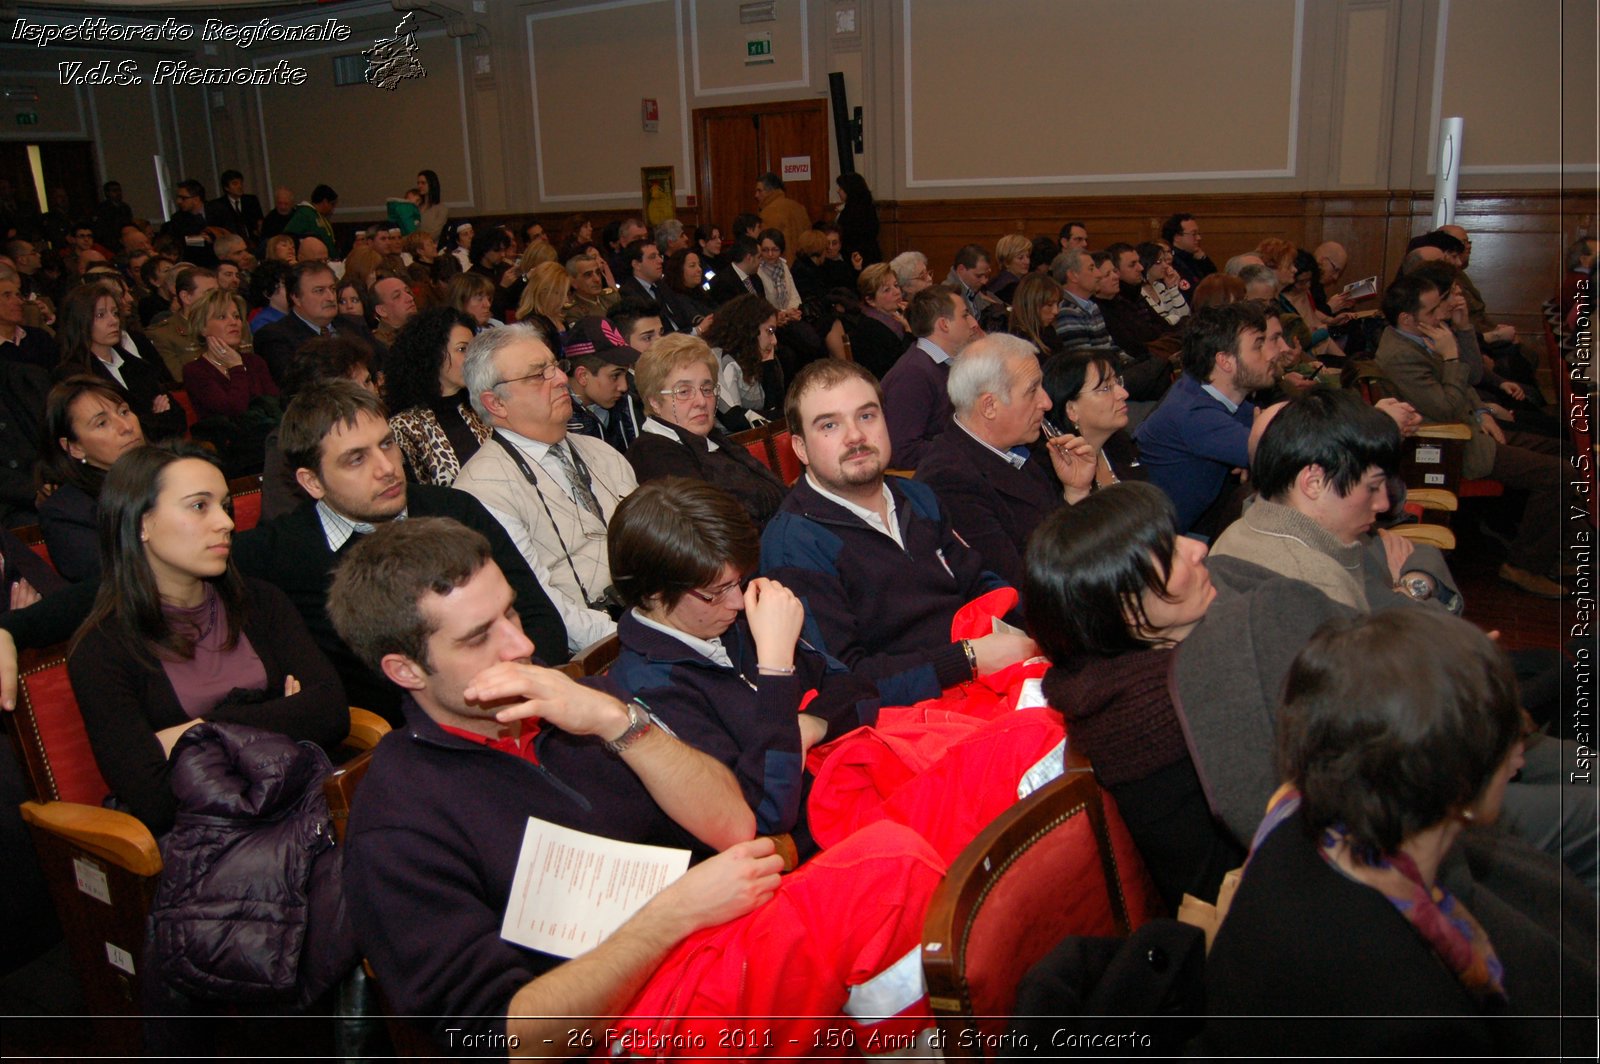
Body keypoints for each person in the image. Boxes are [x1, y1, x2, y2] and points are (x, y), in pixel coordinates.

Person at [328, 517, 944, 1053]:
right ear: (406, 670)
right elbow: (497, 1041)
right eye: (478, 637)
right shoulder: (399, 821)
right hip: (622, 1028)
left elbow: (736, 826)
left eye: (512, 611)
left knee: (904, 855)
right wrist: (668, 918)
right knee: (890, 876)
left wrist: (615, 722)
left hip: (715, 948)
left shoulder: (583, 702)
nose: (522, 644)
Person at [1205, 610, 1539, 1057]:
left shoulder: (1298, 828)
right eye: (1502, 733)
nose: (1520, 742)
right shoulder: (1415, 1016)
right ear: (1453, 781)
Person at [233, 379, 569, 719]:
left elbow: (541, 619)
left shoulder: (456, 511)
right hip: (401, 741)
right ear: (312, 482)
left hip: (518, 701)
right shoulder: (275, 555)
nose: (387, 468)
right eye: (356, 459)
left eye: (387, 443)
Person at [67, 443, 348, 835]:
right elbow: (154, 800)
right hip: (213, 848)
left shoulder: (260, 602)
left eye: (224, 505)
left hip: (306, 807)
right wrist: (278, 714)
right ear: (141, 524)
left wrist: (200, 731)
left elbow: (331, 713)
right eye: (200, 506)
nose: (227, 523)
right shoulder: (101, 651)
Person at [605, 478, 880, 837]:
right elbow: (764, 817)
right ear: (655, 593)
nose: (737, 601)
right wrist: (776, 670)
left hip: (850, 797)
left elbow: (861, 693)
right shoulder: (648, 691)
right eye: (715, 592)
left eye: (739, 580)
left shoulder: (730, 622)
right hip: (807, 848)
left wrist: (805, 727)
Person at [761, 359, 1037, 707]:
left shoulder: (917, 497)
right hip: (905, 718)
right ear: (800, 448)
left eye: (867, 415)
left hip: (983, 678)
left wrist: (1037, 629)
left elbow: (980, 582)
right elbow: (840, 681)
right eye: (829, 425)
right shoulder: (795, 544)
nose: (856, 436)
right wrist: (966, 658)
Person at [1025, 482, 1244, 910]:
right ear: (1129, 611)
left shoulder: (1145, 670)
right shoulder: (1156, 714)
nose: (1197, 549)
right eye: (1169, 553)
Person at [452, 323, 638, 654]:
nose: (560, 379)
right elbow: (545, 608)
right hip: (592, 654)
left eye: (555, 366)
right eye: (538, 375)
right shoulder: (480, 492)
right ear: (495, 403)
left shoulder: (603, 453)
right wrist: (641, 638)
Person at [914, 334, 1078, 588]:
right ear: (989, 406)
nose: (1046, 402)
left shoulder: (1015, 446)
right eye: (1032, 390)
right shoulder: (949, 480)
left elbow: (1060, 539)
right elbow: (1014, 587)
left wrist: (1075, 491)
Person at [1134, 301, 1280, 536]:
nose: (1272, 354)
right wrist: (1254, 455)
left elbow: (1270, 438)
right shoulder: (1195, 413)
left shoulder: (1199, 390)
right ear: (1225, 361)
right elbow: (1286, 452)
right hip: (1160, 546)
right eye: (1258, 346)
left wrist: (1252, 456)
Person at [625, 334, 785, 529]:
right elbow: (713, 531)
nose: (701, 401)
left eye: (707, 389)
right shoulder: (653, 454)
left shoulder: (712, 438)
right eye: (684, 391)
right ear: (655, 402)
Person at [36, 377, 147, 582]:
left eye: (124, 412)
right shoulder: (67, 512)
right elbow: (113, 584)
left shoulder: (175, 473)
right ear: (75, 447)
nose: (126, 426)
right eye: (102, 423)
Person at [52, 282, 185, 441]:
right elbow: (113, 433)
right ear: (80, 321)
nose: (113, 321)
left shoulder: (137, 365)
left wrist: (150, 421)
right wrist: (156, 418)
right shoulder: (75, 375)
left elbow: (178, 417)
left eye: (115, 313)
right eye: (101, 315)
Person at [385, 307, 491, 485]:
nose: (472, 358)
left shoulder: (482, 406)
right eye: (462, 349)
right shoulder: (405, 426)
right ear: (433, 354)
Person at [879, 284, 978, 468]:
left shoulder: (942, 365)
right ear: (944, 324)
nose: (972, 322)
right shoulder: (913, 374)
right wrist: (968, 448)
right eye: (964, 315)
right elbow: (902, 451)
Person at [1040, 351, 1145, 495]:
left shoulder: (1122, 445)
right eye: (1106, 388)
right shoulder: (1053, 474)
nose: (1123, 394)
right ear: (1072, 410)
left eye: (1117, 382)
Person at [179, 289, 279, 421]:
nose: (234, 322)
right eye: (222, 317)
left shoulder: (255, 362)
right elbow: (234, 410)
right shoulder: (195, 371)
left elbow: (276, 406)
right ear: (202, 328)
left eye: (236, 316)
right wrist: (235, 367)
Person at [702, 292, 784, 429]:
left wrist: (768, 366)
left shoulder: (753, 357)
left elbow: (773, 408)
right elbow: (734, 419)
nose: (774, 341)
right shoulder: (719, 359)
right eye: (769, 331)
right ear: (749, 328)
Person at [844, 262, 911, 379]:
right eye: (887, 290)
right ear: (870, 300)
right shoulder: (869, 328)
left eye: (896, 285)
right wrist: (909, 330)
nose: (897, 292)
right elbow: (900, 366)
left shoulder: (897, 314)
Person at [1006, 272, 1064, 358]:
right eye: (1049, 305)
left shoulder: (1049, 332)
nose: (1056, 311)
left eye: (1057, 304)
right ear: (1031, 305)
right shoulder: (1019, 343)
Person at [833, 172, 881, 267]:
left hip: (856, 259)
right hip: (868, 256)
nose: (838, 191)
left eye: (841, 188)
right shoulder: (867, 207)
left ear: (849, 189)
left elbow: (847, 235)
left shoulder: (853, 211)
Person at [414, 170, 446, 240]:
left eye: (423, 183)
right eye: (418, 183)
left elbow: (435, 233)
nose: (419, 186)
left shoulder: (441, 208)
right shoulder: (416, 207)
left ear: (432, 184)